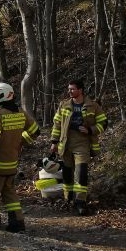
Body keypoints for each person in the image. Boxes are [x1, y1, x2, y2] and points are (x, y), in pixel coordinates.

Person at [0, 82, 40, 232]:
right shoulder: (20, 112)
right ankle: (17, 223)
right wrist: (21, 141)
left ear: (0, 96)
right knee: (9, 192)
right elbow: (35, 131)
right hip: (12, 162)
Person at [50, 79, 108, 216]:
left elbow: (104, 122)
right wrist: (54, 142)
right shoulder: (63, 105)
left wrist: (90, 130)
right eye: (69, 89)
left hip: (83, 143)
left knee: (81, 172)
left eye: (72, 89)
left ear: (80, 90)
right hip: (66, 143)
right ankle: (68, 198)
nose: (69, 91)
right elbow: (57, 124)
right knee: (68, 173)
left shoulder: (92, 105)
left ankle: (80, 201)